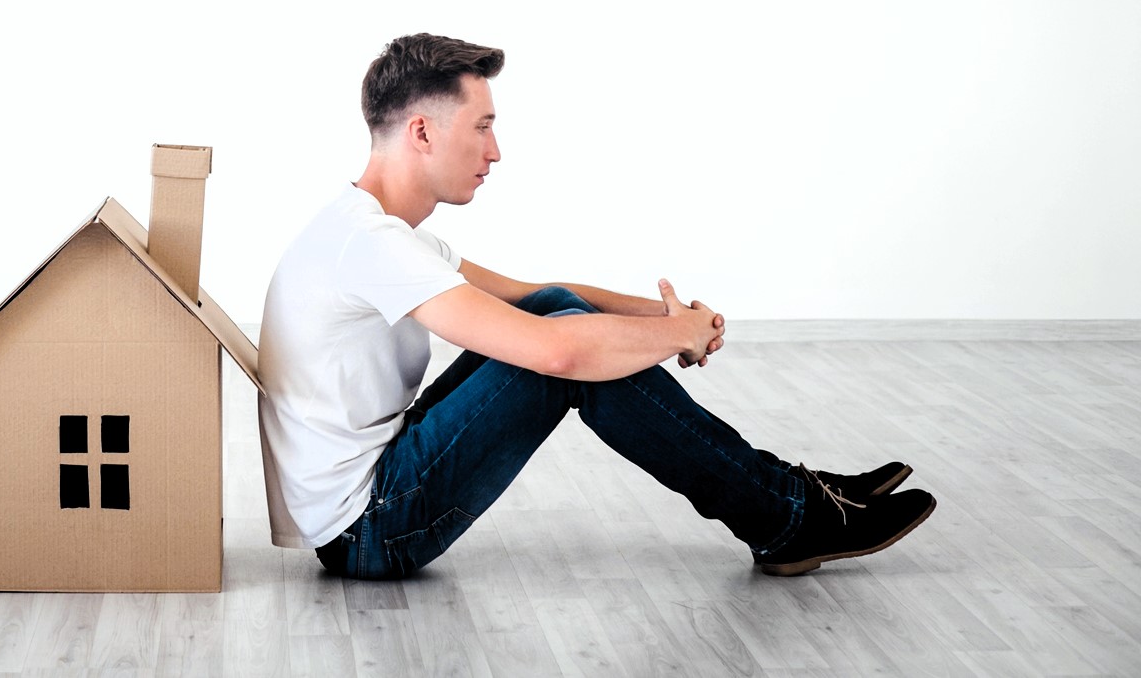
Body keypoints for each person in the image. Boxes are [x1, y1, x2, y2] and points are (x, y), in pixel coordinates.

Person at [256, 33, 935, 580]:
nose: (496, 151)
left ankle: (789, 493)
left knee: (556, 308)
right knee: (558, 355)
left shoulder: (377, 231)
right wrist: (674, 335)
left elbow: (531, 296)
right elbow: (556, 350)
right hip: (370, 527)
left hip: (377, 487)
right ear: (424, 133)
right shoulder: (370, 244)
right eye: (482, 126)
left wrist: (669, 319)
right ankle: (789, 515)